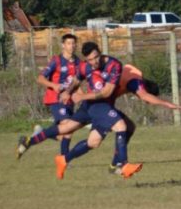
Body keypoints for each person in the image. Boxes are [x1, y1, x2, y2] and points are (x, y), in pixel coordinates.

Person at [16, 42, 145, 180]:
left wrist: (82, 96)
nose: (93, 62)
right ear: (86, 59)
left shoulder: (114, 65)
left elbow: (107, 92)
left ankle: (63, 159)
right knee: (121, 126)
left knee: (90, 141)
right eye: (89, 60)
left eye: (95, 57)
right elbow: (76, 81)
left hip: (100, 105)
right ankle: (122, 164)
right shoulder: (84, 66)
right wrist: (67, 92)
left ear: (100, 53)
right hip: (96, 107)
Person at [16, 33, 81, 160]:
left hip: (68, 100)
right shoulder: (56, 60)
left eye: (73, 43)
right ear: (63, 45)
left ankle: (37, 136)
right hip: (55, 99)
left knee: (63, 134)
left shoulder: (78, 62)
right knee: (67, 126)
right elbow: (40, 78)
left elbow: (77, 82)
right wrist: (53, 85)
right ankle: (63, 159)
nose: (71, 46)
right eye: (68, 43)